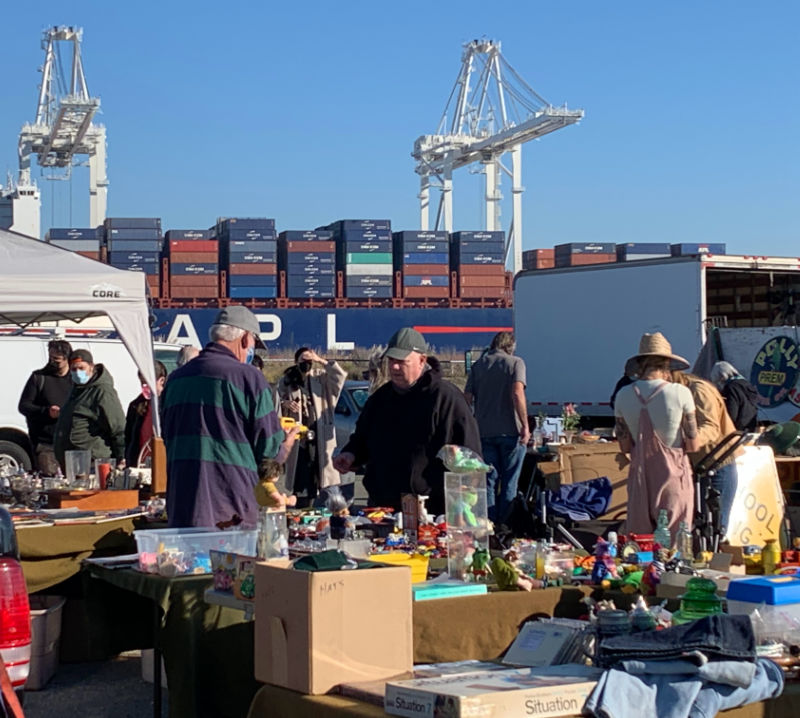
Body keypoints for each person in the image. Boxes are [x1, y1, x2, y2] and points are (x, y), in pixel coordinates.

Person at [161, 306, 299, 528]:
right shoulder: (249, 378)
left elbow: (167, 437)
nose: (251, 351)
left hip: (181, 507)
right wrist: (285, 447)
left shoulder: (175, 380)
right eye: (253, 344)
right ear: (245, 338)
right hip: (230, 512)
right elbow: (268, 450)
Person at [333, 327, 481, 515]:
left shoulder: (446, 398)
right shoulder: (380, 399)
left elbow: (470, 454)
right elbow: (362, 438)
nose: (394, 367)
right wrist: (351, 454)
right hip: (382, 508)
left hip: (431, 511)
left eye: (401, 362)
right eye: (391, 361)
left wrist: (464, 505)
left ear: (422, 360)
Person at [614, 333, 701, 538]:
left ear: (640, 364)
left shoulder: (623, 395)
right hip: (673, 475)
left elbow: (624, 446)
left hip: (639, 477)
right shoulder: (680, 393)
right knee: (675, 540)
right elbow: (693, 445)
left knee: (639, 542)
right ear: (666, 364)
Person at [463, 331, 530, 526]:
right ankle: (506, 525)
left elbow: (467, 398)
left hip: (484, 431)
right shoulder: (516, 363)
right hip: (511, 431)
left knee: (488, 481)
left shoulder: (478, 366)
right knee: (510, 481)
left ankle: (489, 525)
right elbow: (517, 394)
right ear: (511, 346)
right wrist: (525, 425)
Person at [671, 371, 739, 536]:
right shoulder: (681, 391)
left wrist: (687, 442)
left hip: (716, 463)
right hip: (700, 466)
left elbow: (711, 427)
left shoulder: (698, 390)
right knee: (701, 527)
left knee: (714, 528)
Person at [277, 347, 347, 506]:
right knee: (300, 471)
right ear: (296, 362)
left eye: (310, 361)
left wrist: (321, 360)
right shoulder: (287, 380)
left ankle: (322, 504)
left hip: (320, 432)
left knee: (320, 470)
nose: (307, 364)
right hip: (298, 434)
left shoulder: (320, 378)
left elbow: (340, 377)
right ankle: (301, 503)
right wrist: (285, 403)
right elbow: (275, 402)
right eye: (303, 360)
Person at [53, 349, 127, 468]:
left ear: (91, 367)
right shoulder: (76, 390)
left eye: (81, 368)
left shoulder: (102, 391)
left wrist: (122, 456)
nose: (78, 372)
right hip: (73, 462)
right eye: (73, 369)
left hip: (93, 460)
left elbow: (118, 427)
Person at [18, 339, 73, 474]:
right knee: (50, 481)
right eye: (50, 358)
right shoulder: (39, 377)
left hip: (71, 442)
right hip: (46, 443)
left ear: (67, 359)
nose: (52, 362)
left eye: (57, 360)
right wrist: (46, 412)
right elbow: (24, 406)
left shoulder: (75, 380)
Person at [124, 360, 167, 468]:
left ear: (161, 380)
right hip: (139, 464)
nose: (145, 386)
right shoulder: (135, 405)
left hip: (163, 464)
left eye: (148, 382)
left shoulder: (169, 404)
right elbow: (128, 437)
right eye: (142, 382)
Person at [710, 361, 759, 432]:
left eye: (718, 380)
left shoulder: (730, 388)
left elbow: (731, 414)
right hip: (750, 428)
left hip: (736, 431)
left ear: (722, 377)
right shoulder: (747, 384)